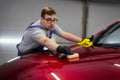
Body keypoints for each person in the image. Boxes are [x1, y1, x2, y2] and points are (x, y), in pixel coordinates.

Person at [16, 6, 82, 58]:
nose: (53, 23)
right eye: (49, 20)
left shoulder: (50, 24)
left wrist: (83, 40)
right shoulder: (35, 30)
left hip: (36, 52)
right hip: (25, 55)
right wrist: (59, 48)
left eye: (54, 20)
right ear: (41, 19)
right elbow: (45, 41)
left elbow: (64, 34)